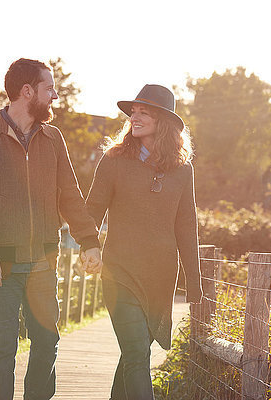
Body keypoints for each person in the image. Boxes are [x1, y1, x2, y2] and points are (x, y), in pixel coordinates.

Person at [0, 58, 102, 400]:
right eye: (49, 89)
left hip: (42, 263)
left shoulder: (53, 138)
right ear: (27, 92)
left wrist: (89, 241)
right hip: (0, 267)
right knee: (2, 348)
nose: (54, 96)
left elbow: (69, 194)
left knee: (47, 341)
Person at [85, 84, 203, 400]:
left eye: (143, 112)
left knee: (133, 354)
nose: (134, 117)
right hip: (120, 272)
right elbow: (92, 208)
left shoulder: (182, 169)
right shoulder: (114, 159)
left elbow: (186, 226)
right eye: (133, 112)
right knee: (137, 351)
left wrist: (194, 279)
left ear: (163, 121)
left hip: (160, 278)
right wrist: (88, 245)